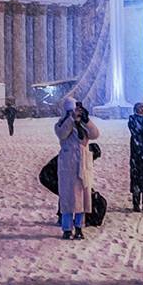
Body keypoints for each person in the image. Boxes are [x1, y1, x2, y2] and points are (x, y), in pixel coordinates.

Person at [53, 98, 99, 240]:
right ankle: (67, 228)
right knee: (68, 198)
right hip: (68, 164)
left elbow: (95, 134)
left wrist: (86, 120)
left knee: (83, 197)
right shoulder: (61, 123)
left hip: (83, 163)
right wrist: (71, 120)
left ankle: (79, 227)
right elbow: (62, 134)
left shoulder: (82, 124)